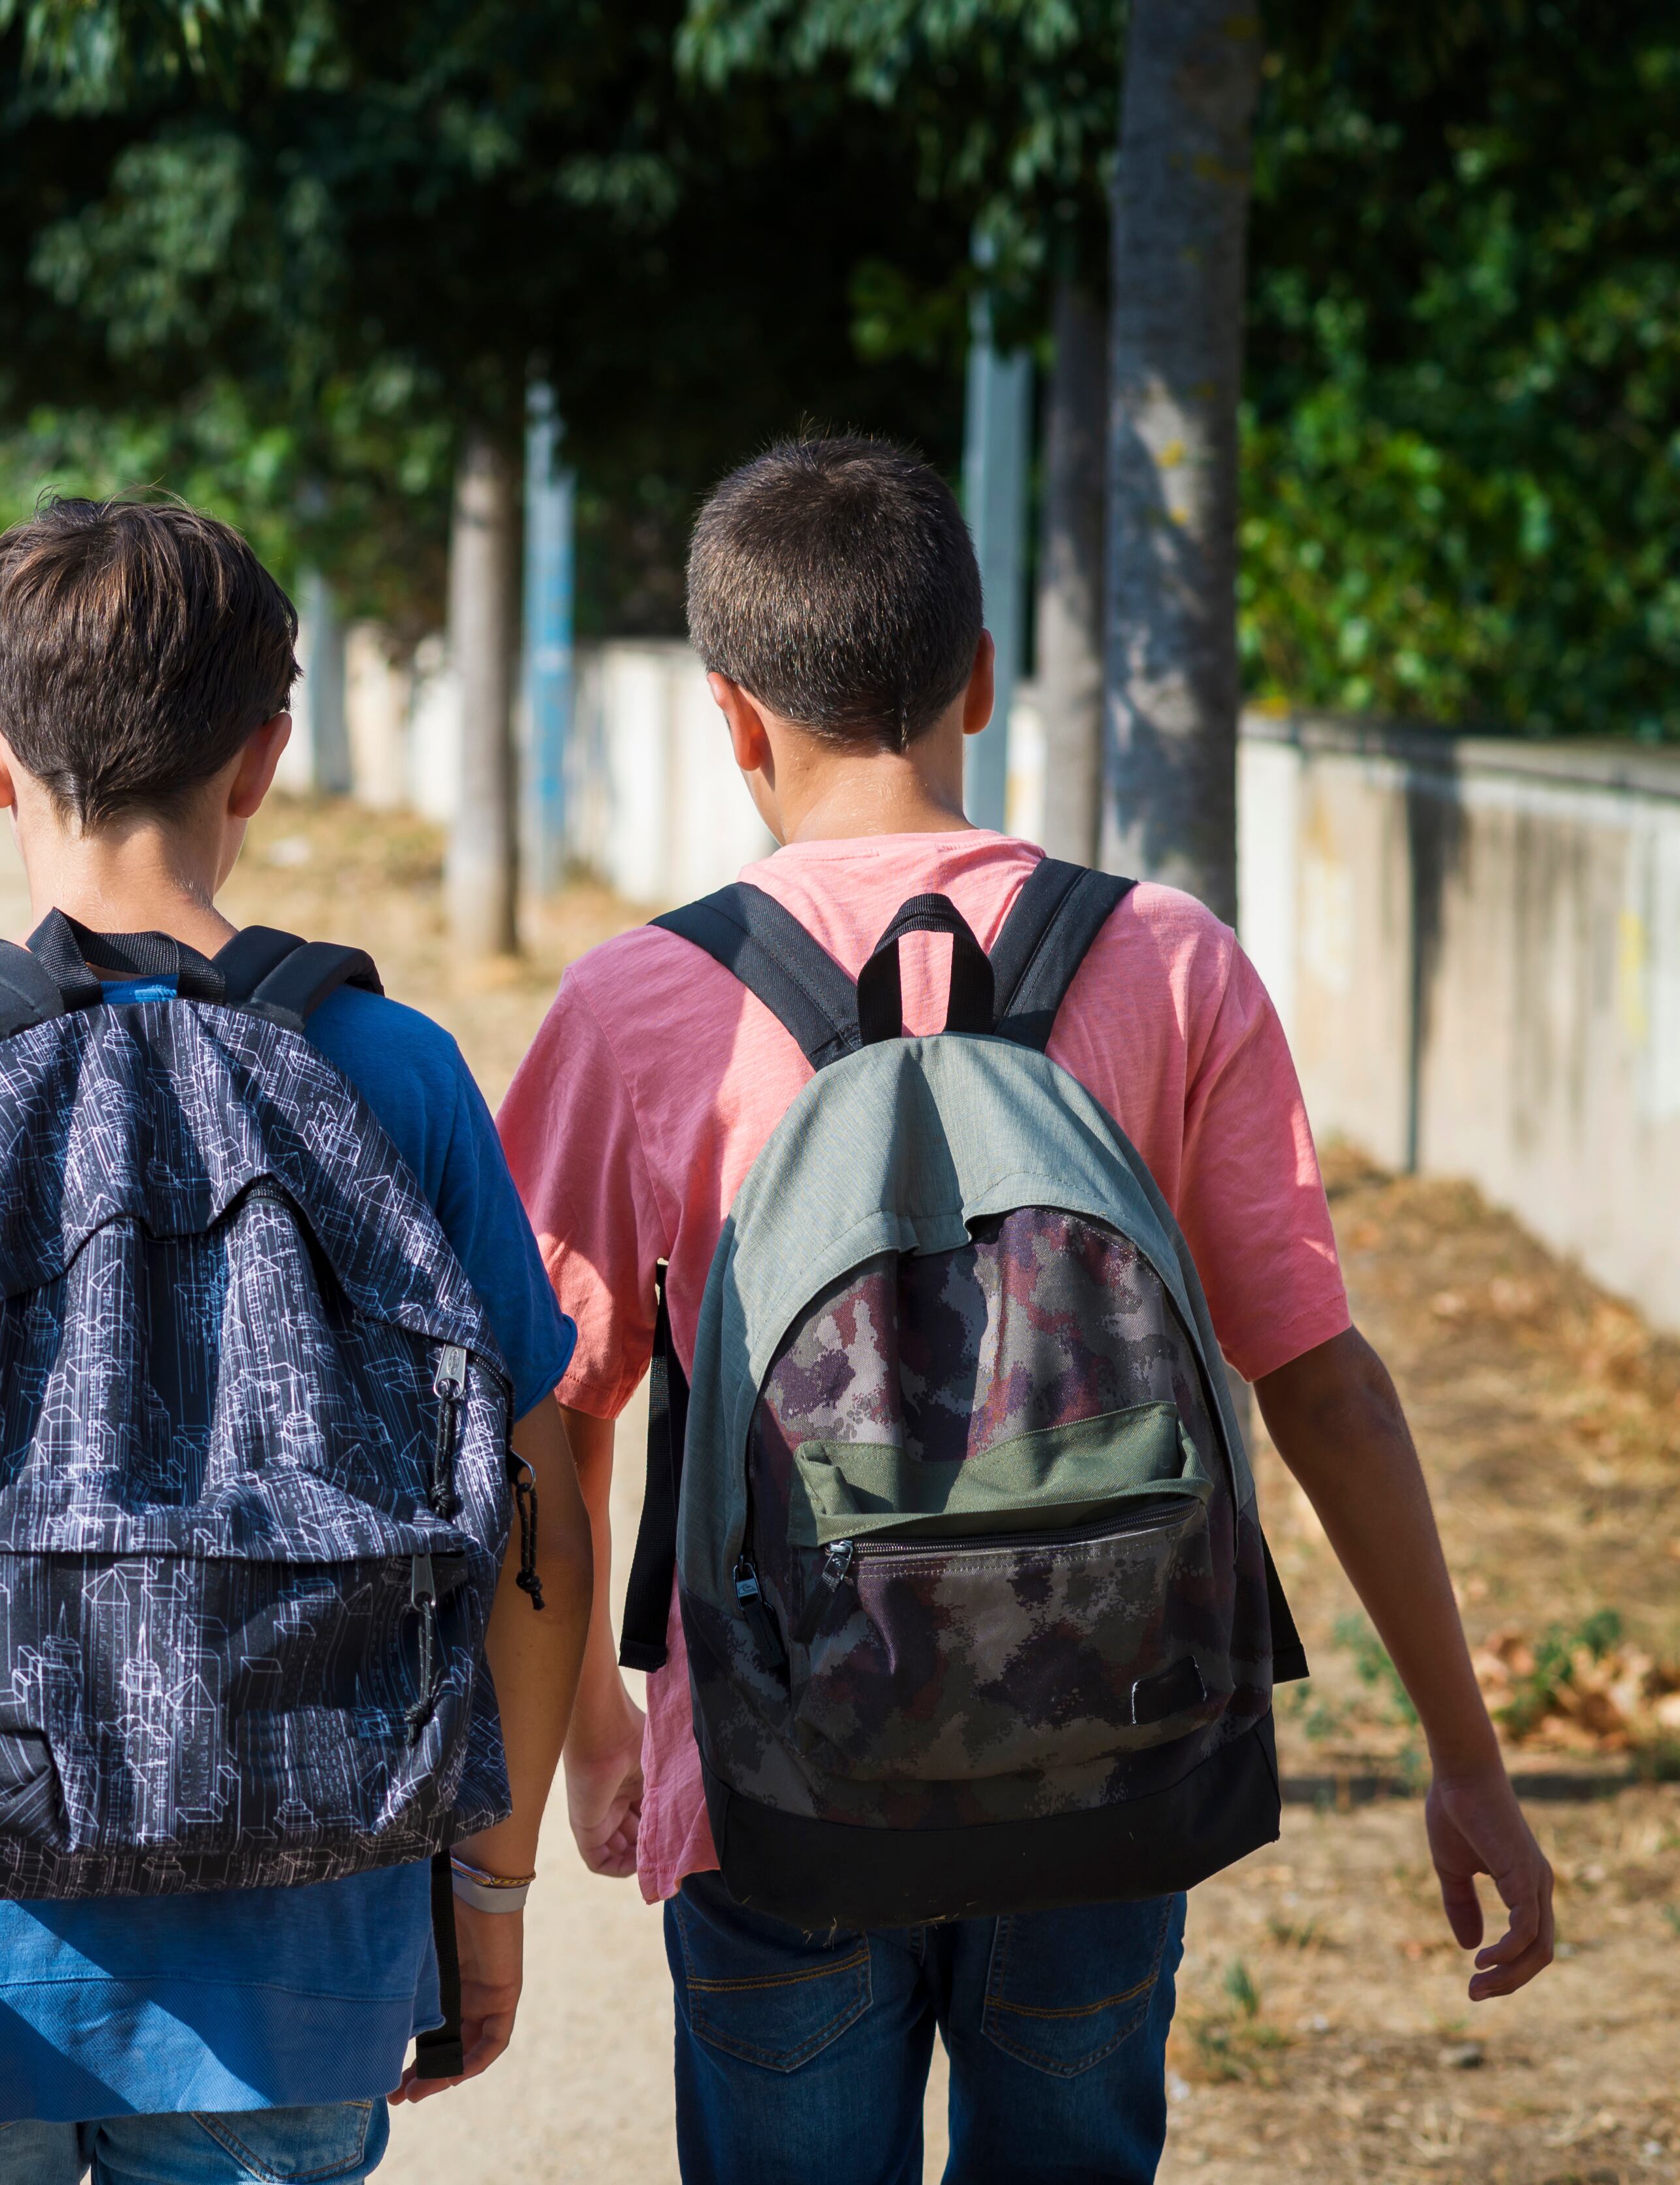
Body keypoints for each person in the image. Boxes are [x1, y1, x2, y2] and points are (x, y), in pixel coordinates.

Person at [501, 435, 1556, 2184]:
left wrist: (578, 1749)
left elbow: (551, 1420)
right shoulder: (1171, 961)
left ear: (732, 718)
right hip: (1109, 1755)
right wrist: (1468, 1759)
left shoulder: (643, 1002)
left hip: (778, 1789)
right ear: (981, 679)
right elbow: (1325, 1384)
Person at [0, 496, 611, 2182]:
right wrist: (489, 1887)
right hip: (306, 1960)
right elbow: (535, 1533)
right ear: (263, 759)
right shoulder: (394, 1072)